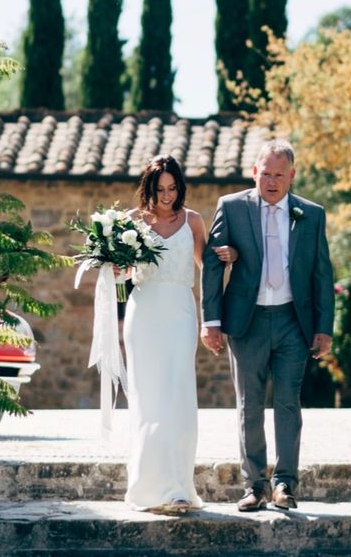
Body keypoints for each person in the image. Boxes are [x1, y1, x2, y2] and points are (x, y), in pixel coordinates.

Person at [200, 138, 334, 512]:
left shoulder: (311, 214)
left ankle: (285, 485)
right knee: (249, 405)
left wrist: (325, 327)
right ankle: (254, 486)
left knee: (289, 403)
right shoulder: (232, 207)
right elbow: (213, 265)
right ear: (254, 172)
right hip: (247, 321)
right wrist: (210, 321)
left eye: (280, 175)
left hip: (295, 320)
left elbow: (322, 273)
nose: (272, 181)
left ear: (291, 176)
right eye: (266, 174)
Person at [122, 154, 235, 513]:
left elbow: (208, 269)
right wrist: (112, 264)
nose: (167, 195)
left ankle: (178, 488)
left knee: (178, 396)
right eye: (160, 189)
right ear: (149, 188)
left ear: (180, 187)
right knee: (148, 399)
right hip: (143, 314)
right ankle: (147, 486)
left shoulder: (193, 221)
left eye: (173, 188)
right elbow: (122, 275)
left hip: (180, 313)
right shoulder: (131, 222)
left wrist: (228, 256)